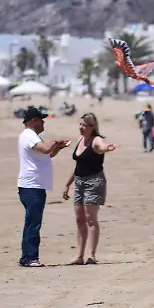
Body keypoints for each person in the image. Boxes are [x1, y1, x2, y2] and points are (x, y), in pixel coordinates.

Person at [61, 113, 118, 265]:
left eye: (84, 125)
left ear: (91, 127)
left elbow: (101, 147)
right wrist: (68, 184)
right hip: (79, 182)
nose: (81, 127)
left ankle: (91, 255)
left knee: (90, 218)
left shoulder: (96, 140)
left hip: (94, 182)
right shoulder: (81, 140)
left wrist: (107, 148)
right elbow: (78, 165)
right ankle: (79, 256)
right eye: (80, 124)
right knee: (79, 219)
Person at [17, 107, 70, 267]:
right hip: (32, 185)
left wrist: (58, 148)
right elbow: (46, 149)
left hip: (35, 185)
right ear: (33, 120)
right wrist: (54, 142)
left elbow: (47, 154)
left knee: (31, 222)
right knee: (34, 223)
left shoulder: (33, 137)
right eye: (41, 119)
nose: (43, 122)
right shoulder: (29, 135)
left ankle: (26, 256)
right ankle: (31, 257)